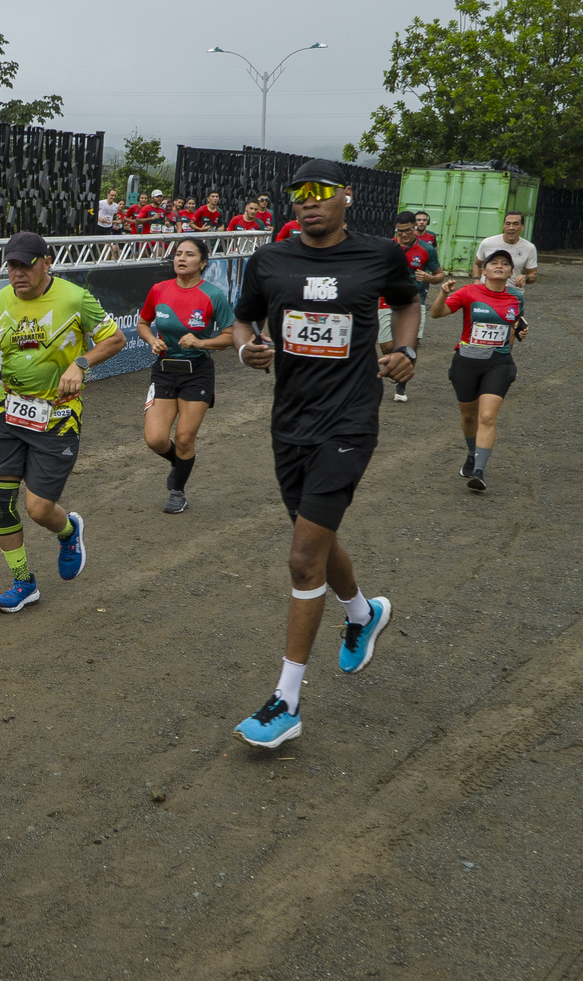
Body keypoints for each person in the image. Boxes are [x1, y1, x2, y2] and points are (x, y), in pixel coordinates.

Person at [229, 159, 421, 749]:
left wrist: (407, 349)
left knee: (301, 557)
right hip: (290, 423)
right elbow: (242, 321)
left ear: (346, 196)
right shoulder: (269, 260)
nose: (308, 202)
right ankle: (362, 613)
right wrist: (245, 349)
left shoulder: (379, 255)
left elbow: (407, 303)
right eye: (299, 194)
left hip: (350, 421)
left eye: (320, 192)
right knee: (315, 536)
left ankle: (286, 700)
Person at [0, 231, 128, 612]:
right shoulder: (0, 302)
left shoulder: (75, 298)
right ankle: (23, 583)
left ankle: (68, 530)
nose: (17, 273)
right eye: (11, 266)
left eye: (25, 265)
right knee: (0, 502)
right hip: (8, 412)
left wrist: (81, 363)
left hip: (57, 418)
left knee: (39, 509)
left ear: (46, 263)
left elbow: (116, 340)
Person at [136, 237, 235, 513]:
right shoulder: (159, 290)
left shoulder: (213, 295)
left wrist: (202, 342)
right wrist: (151, 340)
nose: (181, 258)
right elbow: (143, 323)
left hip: (197, 372)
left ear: (203, 263)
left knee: (183, 439)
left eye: (189, 254)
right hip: (164, 370)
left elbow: (230, 336)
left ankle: (178, 491)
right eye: (178, 254)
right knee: (155, 439)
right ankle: (178, 462)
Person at [427, 251, 527, 492]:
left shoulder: (516, 297)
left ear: (511, 273)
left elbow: (515, 325)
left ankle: (479, 471)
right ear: (484, 270)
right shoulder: (469, 292)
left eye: (505, 264)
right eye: (494, 263)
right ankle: (472, 454)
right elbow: (436, 314)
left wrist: (520, 332)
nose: (499, 266)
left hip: (499, 363)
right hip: (467, 361)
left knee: (487, 416)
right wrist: (443, 294)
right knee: (469, 416)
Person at [384, 210, 443, 403]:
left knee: (411, 345)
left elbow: (440, 275)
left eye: (407, 230)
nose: (403, 234)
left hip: (415, 300)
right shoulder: (388, 247)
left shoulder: (426, 249)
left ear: (414, 227)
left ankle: (402, 385)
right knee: (387, 346)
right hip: (387, 299)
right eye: (400, 231)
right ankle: (396, 365)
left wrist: (429, 278)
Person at [475, 212, 537, 287]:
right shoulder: (487, 242)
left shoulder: (529, 248)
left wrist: (525, 278)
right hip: (487, 288)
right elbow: (477, 264)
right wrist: (477, 280)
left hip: (512, 290)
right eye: (508, 224)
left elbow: (533, 273)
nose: (511, 228)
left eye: (515, 224)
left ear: (522, 227)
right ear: (503, 226)